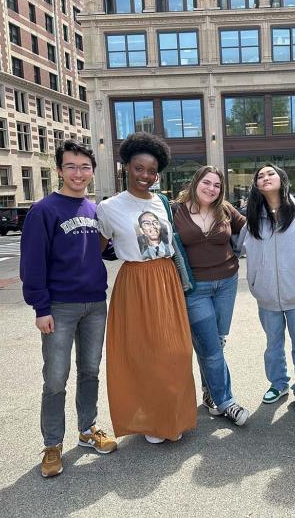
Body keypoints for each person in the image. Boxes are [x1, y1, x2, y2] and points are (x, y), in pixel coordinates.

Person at [20, 139, 116, 478]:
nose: (78, 173)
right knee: (56, 378)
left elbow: (100, 252)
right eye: (71, 166)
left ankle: (88, 430)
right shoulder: (44, 210)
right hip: (59, 306)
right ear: (59, 170)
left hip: (95, 304)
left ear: (92, 171)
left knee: (90, 371)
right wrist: (40, 308)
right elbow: (32, 264)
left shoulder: (95, 210)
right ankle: (52, 445)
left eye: (85, 167)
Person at [96, 132, 196, 444]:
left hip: (167, 279)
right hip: (135, 283)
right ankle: (152, 421)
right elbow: (96, 249)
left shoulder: (162, 201)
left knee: (175, 351)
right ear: (126, 166)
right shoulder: (109, 207)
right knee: (144, 355)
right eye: (139, 168)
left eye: (152, 171)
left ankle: (172, 416)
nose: (145, 176)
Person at [173, 166, 250, 426]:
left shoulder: (225, 209)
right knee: (213, 348)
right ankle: (226, 401)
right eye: (207, 182)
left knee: (214, 343)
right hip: (195, 289)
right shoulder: (176, 211)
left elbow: (250, 228)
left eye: (217, 185)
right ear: (196, 183)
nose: (211, 188)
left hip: (227, 283)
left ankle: (210, 394)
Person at [240, 163, 295, 413]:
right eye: (260, 176)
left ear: (282, 179)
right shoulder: (251, 218)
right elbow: (233, 247)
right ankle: (278, 383)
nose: (265, 177)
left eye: (270, 173)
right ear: (257, 186)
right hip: (267, 296)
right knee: (273, 345)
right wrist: (255, 281)